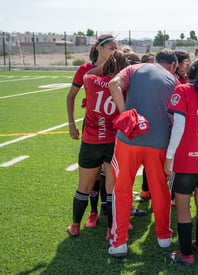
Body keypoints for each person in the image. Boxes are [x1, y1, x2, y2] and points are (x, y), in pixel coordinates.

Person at [107, 49, 177, 257]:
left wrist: (125, 113)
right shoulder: (173, 80)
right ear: (172, 66)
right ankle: (163, 237)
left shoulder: (134, 68)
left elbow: (113, 84)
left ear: (155, 60)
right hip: (160, 142)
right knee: (161, 191)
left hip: (129, 138)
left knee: (122, 190)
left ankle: (119, 242)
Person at [66, 50, 129, 239]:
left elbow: (88, 75)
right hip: (112, 143)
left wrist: (103, 66)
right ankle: (111, 230)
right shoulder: (122, 88)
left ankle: (75, 226)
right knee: (111, 190)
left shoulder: (91, 81)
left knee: (83, 187)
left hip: (91, 142)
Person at [165, 58, 198, 267]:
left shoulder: (182, 91)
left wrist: (169, 156)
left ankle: (186, 254)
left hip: (186, 160)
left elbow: (178, 126)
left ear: (189, 72)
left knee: (183, 206)